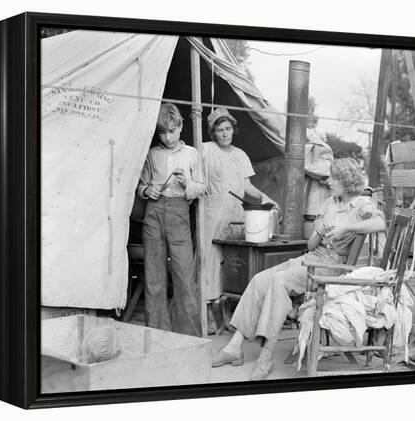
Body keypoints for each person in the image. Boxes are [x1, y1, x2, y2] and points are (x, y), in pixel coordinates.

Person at [211, 158, 386, 380]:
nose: (329, 182)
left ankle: (267, 354)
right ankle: (234, 348)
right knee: (259, 279)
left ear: (346, 180)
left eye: (333, 178)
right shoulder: (330, 203)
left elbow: (382, 223)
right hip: (312, 257)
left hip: (331, 267)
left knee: (279, 281)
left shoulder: (362, 204)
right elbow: (311, 245)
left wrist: (346, 227)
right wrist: (319, 233)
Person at [202, 108, 279, 334]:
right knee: (210, 261)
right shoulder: (205, 150)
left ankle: (229, 314)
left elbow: (247, 187)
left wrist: (268, 199)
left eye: (227, 129)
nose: (224, 134)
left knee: (234, 265)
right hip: (212, 214)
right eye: (219, 130)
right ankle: (207, 314)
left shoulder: (240, 155)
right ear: (213, 132)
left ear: (233, 130)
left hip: (235, 215)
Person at [137, 103, 206, 337]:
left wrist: (187, 183)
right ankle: (156, 335)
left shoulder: (192, 154)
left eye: (172, 131)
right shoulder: (152, 154)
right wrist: (148, 192)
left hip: (179, 211)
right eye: (162, 132)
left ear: (180, 127)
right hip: (153, 212)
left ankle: (188, 336)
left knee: (184, 275)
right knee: (153, 276)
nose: (167, 137)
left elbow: (202, 187)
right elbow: (141, 186)